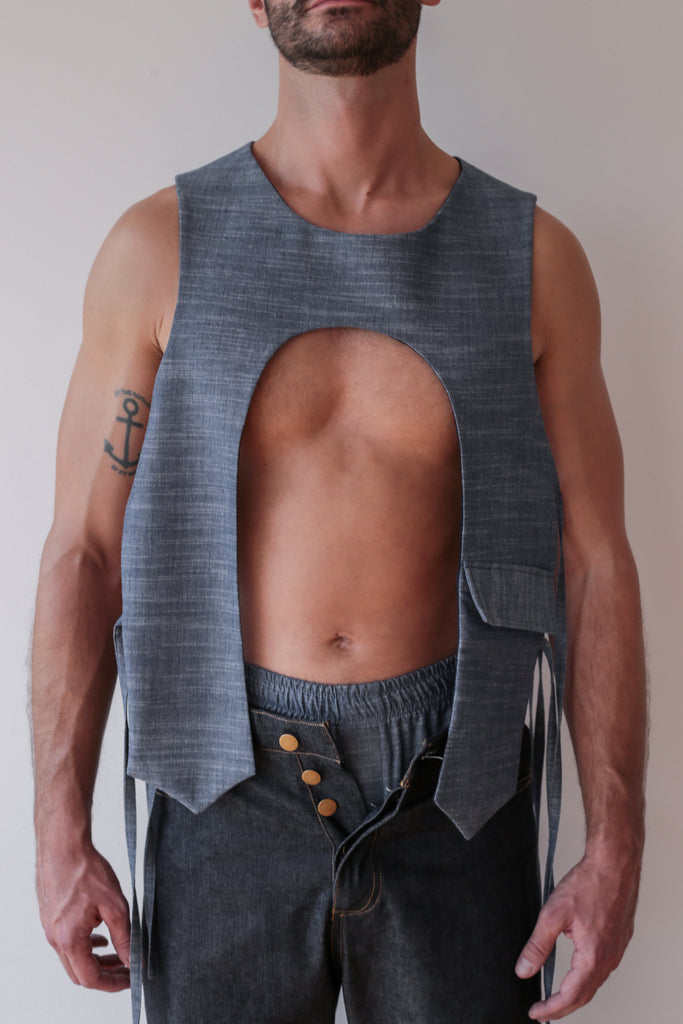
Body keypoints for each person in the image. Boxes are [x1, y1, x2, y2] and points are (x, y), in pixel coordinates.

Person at [30, 2, 648, 1022]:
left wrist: (617, 838)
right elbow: (85, 550)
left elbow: (594, 559)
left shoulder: (533, 259)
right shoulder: (156, 248)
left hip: (457, 789)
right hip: (222, 790)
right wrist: (57, 828)